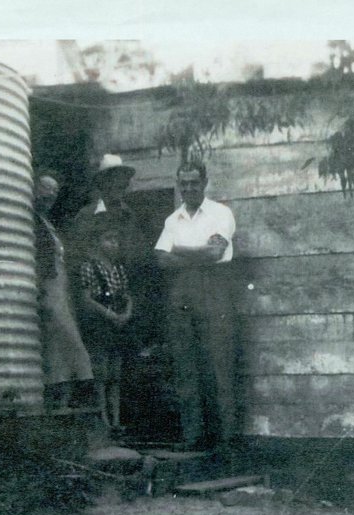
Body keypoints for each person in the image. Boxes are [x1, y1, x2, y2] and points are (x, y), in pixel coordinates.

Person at [154, 160, 238, 452]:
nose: (188, 188)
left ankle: (224, 438)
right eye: (183, 183)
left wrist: (178, 249)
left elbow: (215, 253)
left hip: (213, 288)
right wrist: (196, 253)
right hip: (181, 292)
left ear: (204, 182)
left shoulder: (220, 213)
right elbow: (161, 259)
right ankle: (194, 436)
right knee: (185, 364)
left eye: (193, 182)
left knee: (218, 361)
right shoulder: (172, 220)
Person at [32, 172, 93, 407]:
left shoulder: (47, 223)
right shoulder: (32, 221)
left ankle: (63, 400)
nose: (50, 195)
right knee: (69, 338)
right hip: (48, 285)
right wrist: (41, 288)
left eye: (54, 192)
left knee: (58, 347)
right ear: (34, 188)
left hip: (60, 285)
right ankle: (86, 385)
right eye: (45, 188)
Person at [78, 226, 134, 434]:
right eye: (108, 239)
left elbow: (127, 295)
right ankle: (103, 419)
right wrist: (108, 314)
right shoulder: (89, 266)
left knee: (115, 374)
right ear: (96, 243)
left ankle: (116, 419)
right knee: (101, 373)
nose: (114, 244)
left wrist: (126, 312)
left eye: (116, 240)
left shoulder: (118, 268)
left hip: (118, 322)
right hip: (100, 322)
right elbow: (86, 299)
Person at [67, 154, 143, 277]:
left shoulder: (129, 217)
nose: (119, 185)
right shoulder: (86, 215)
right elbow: (76, 256)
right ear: (102, 183)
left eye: (123, 181)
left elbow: (137, 256)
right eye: (113, 179)